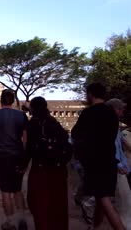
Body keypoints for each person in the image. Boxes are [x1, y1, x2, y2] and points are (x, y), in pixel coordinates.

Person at [72, 83, 126, 230]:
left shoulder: (88, 113)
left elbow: (75, 134)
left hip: (95, 163)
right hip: (110, 161)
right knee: (102, 199)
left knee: (104, 200)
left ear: (90, 94)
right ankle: (95, 227)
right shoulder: (112, 115)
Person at [26, 97, 72, 230]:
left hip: (41, 170)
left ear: (33, 109)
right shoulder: (54, 123)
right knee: (58, 203)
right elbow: (67, 145)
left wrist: (22, 165)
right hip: (58, 170)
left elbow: (29, 149)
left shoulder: (33, 124)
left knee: (39, 203)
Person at [0, 89, 29, 230]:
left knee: (5, 191)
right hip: (18, 156)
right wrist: (24, 158)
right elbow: (25, 141)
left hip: (2, 157)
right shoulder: (22, 115)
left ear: (1, 100)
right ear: (12, 101)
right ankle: (22, 220)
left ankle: (10, 222)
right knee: (18, 189)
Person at [106, 98, 131, 225]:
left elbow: (119, 148)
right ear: (114, 109)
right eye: (120, 109)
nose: (122, 112)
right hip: (115, 167)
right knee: (125, 201)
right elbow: (112, 147)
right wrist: (119, 164)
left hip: (118, 166)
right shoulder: (109, 124)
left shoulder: (114, 124)